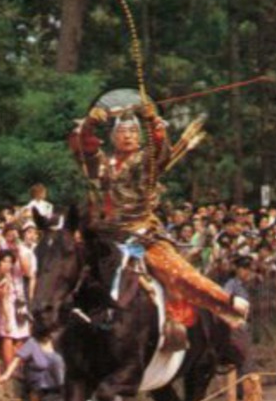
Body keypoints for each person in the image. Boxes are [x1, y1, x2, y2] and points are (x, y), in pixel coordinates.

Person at [69, 98, 247, 349]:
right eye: (121, 131)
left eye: (133, 131)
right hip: (103, 234)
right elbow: (84, 150)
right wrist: (90, 124)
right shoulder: (104, 164)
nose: (128, 136)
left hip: (139, 235)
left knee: (176, 270)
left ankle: (226, 301)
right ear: (112, 137)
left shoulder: (145, 161)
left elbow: (160, 150)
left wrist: (153, 122)